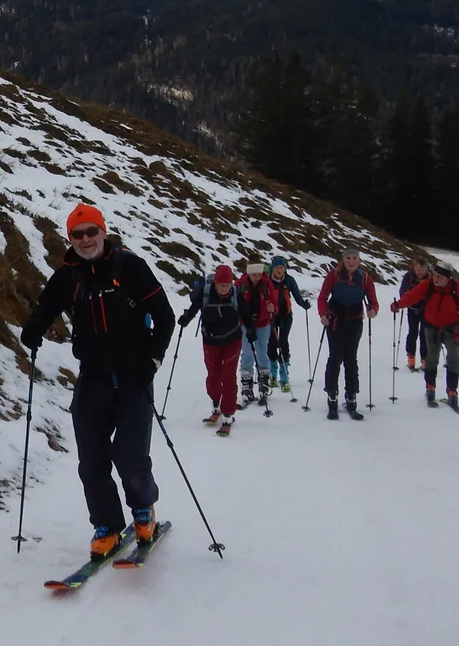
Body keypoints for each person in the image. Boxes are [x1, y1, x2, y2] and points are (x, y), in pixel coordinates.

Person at [21, 203, 176, 556]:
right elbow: (46, 307)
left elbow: (164, 317)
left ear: (104, 232)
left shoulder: (129, 267)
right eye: (78, 234)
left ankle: (143, 509)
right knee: (91, 458)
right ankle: (106, 525)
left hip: (134, 377)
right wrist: (33, 329)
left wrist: (151, 359)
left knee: (129, 454)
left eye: (92, 231)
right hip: (93, 376)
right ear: (70, 239)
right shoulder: (69, 275)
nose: (86, 239)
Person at [178, 263, 245, 435]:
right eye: (221, 285)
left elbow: (244, 312)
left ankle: (228, 414)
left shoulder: (236, 294)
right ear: (215, 283)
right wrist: (186, 318)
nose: (224, 288)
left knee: (228, 376)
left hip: (232, 340)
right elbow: (194, 308)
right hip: (210, 340)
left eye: (227, 285)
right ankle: (216, 405)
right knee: (213, 375)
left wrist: (251, 330)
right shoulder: (206, 293)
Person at [393, 260, 459, 407]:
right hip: (431, 327)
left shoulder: (457, 289)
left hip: (451, 328)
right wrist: (398, 305)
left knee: (453, 358)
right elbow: (412, 297)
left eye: (439, 276)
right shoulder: (427, 285)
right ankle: (430, 388)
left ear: (447, 278)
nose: (435, 278)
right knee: (432, 358)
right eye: (434, 275)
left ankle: (452, 391)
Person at [316, 248, 379, 420]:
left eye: (354, 258)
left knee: (351, 358)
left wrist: (373, 310)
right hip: (335, 321)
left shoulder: (365, 278)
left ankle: (351, 398)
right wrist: (322, 314)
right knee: (335, 357)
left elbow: (373, 300)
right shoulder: (333, 276)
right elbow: (322, 297)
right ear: (343, 260)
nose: (351, 261)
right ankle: (332, 396)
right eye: (348, 258)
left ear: (359, 260)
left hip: (355, 321)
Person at [236, 261, 279, 406]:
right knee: (247, 352)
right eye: (254, 274)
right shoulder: (240, 284)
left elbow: (274, 302)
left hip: (263, 323)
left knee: (262, 350)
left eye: (259, 274)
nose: (257, 277)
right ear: (249, 273)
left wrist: (273, 307)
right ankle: (247, 384)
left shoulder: (267, 284)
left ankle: (263, 381)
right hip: (244, 324)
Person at [266, 257, 310, 393]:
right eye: (276, 267)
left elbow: (297, 296)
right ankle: (273, 374)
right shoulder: (266, 281)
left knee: (283, 342)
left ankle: (284, 377)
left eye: (281, 267)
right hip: (271, 317)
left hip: (286, 316)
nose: (279, 270)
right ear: (272, 268)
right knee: (271, 343)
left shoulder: (289, 280)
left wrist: (304, 304)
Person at [395, 256, 431, 371]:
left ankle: (424, 360)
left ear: (426, 269)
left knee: (424, 335)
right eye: (418, 269)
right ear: (414, 268)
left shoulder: (430, 278)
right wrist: (403, 300)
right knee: (413, 333)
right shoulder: (408, 276)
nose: (420, 272)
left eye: (422, 270)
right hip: (412, 308)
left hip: (426, 309)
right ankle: (411, 358)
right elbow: (402, 290)